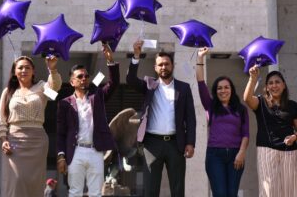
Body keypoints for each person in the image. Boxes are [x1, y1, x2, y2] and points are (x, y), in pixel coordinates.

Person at [126, 39, 196, 197]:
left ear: (172, 65)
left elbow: (190, 118)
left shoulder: (183, 88)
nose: (164, 67)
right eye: (160, 65)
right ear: (155, 68)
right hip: (152, 144)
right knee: (151, 189)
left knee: (178, 190)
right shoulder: (149, 84)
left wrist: (190, 143)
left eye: (167, 64)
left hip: (176, 144)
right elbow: (130, 80)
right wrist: (136, 56)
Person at [56, 43, 119, 197]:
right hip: (75, 150)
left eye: (86, 76)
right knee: (75, 191)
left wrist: (110, 61)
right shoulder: (65, 103)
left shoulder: (97, 97)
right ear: (72, 82)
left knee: (96, 193)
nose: (84, 79)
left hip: (95, 151)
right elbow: (60, 132)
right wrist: (61, 156)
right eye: (80, 76)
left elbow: (114, 83)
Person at [0, 55, 61, 197]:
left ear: (33, 71)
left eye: (27, 67)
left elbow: (54, 91)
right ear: (14, 72)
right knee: (16, 181)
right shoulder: (8, 92)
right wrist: (3, 139)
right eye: (20, 67)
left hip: (37, 141)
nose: (24, 70)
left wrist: (52, 69)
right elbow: (1, 119)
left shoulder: (42, 87)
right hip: (14, 141)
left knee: (35, 183)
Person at [196, 47, 249, 197]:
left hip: (236, 155)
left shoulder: (241, 109)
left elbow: (246, 134)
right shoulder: (210, 106)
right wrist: (200, 58)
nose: (223, 90)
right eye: (219, 88)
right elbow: (200, 83)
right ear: (215, 91)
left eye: (226, 87)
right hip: (215, 156)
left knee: (232, 194)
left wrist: (241, 153)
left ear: (231, 90)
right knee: (219, 194)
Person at [243, 65, 297, 197]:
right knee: (269, 191)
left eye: (277, 82)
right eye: (270, 83)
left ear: (284, 85)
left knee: (291, 191)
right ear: (267, 87)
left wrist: (295, 136)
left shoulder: (292, 105)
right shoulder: (261, 102)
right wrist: (253, 78)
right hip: (266, 150)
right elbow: (247, 98)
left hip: (289, 151)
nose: (274, 85)